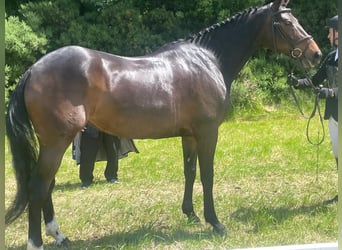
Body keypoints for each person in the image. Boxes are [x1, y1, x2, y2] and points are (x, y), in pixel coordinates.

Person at [288, 15, 338, 203]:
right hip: (334, 113)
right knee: (337, 153)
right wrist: (298, 83)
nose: (327, 36)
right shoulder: (332, 57)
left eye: (330, 32)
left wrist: (331, 92)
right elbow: (315, 79)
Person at [72, 124, 139, 188]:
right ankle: (86, 180)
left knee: (113, 151)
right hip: (91, 123)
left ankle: (112, 176)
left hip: (110, 124)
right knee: (87, 153)